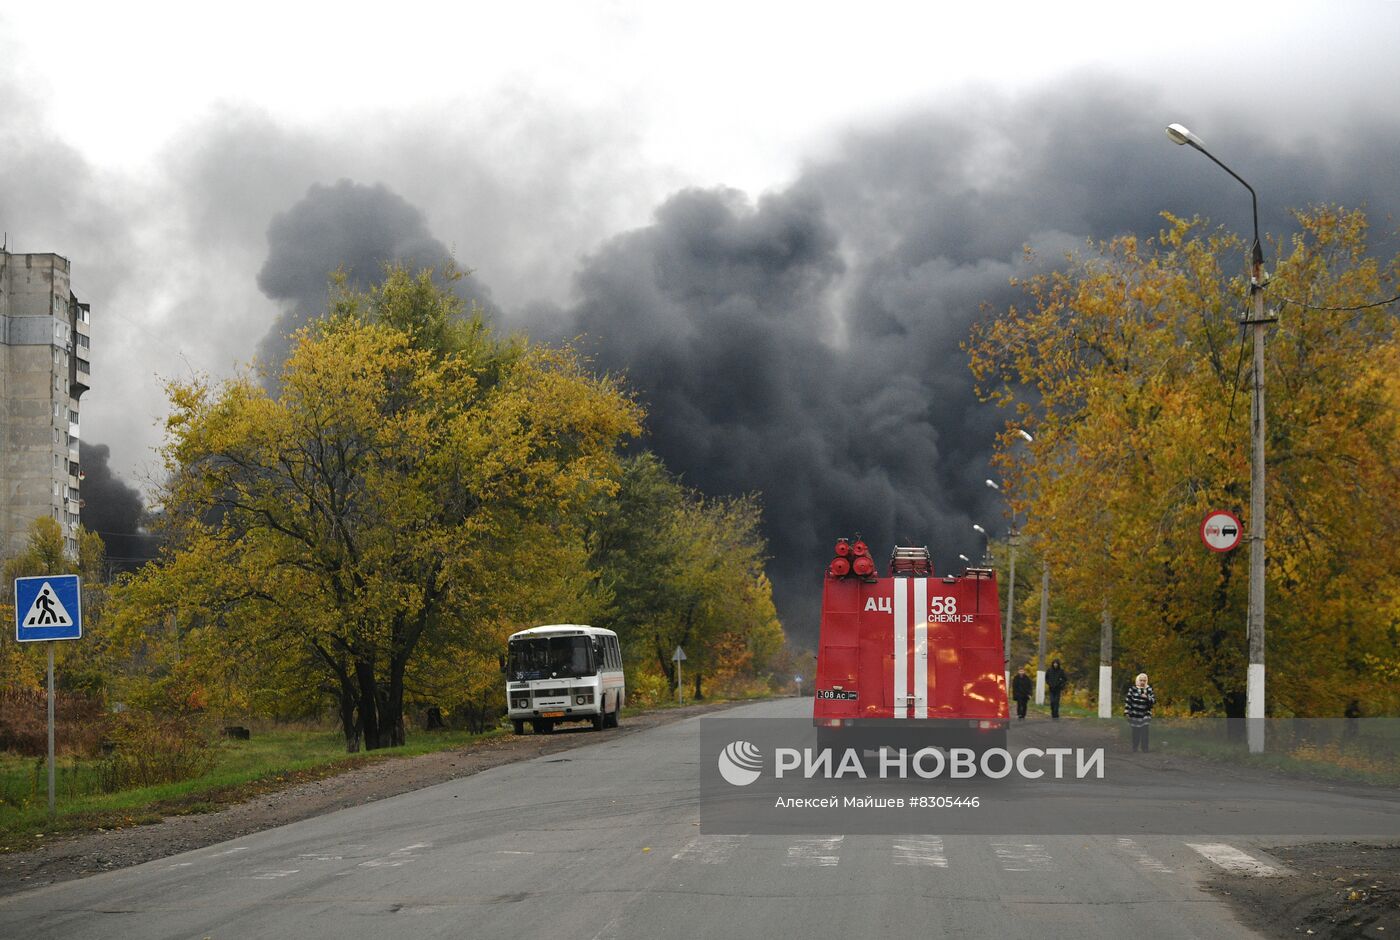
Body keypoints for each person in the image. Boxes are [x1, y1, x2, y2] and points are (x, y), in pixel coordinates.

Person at [1124, 672, 1156, 752]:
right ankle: (1135, 747)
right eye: (1141, 680)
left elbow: (1153, 701)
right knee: (1136, 731)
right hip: (1135, 714)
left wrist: (1147, 697)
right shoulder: (1133, 689)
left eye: (1144, 680)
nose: (1142, 682)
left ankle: (1145, 748)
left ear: (1146, 681)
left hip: (1145, 713)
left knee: (1145, 731)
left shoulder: (1149, 689)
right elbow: (1128, 701)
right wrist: (1127, 712)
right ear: (1138, 680)